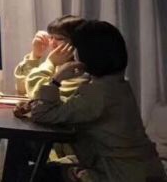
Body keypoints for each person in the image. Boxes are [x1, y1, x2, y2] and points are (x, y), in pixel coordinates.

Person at [29, 20, 165, 182]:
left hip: (117, 174)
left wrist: (56, 80)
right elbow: (71, 110)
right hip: (143, 170)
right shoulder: (118, 84)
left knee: (34, 172)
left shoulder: (98, 93)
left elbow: (42, 113)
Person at [15, 15, 88, 99]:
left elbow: (39, 94)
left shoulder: (81, 74)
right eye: (51, 37)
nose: (53, 43)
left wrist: (50, 62)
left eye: (59, 38)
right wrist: (35, 56)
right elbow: (22, 89)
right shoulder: (53, 68)